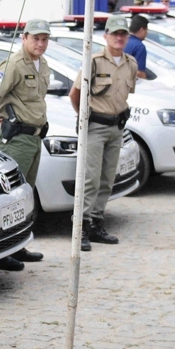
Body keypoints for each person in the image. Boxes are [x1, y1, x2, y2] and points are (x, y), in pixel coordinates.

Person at [0, 19, 49, 271]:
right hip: (16, 139)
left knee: (24, 196)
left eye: (44, 39)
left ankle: (17, 246)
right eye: (36, 38)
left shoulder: (43, 64)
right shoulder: (13, 65)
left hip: (34, 137)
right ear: (24, 38)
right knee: (9, 198)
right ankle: (0, 255)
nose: (40, 43)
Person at [69, 16, 138, 251]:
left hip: (116, 127)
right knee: (90, 179)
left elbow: (125, 96)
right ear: (105, 36)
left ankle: (97, 223)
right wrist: (84, 116)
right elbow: (75, 93)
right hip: (95, 127)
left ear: (127, 37)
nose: (119, 38)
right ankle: (81, 227)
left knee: (107, 180)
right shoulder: (94, 61)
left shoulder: (131, 64)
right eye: (114, 34)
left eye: (123, 34)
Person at [124, 15, 149, 80]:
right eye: (146, 30)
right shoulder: (139, 47)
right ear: (141, 30)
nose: (147, 33)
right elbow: (140, 73)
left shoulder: (122, 41)